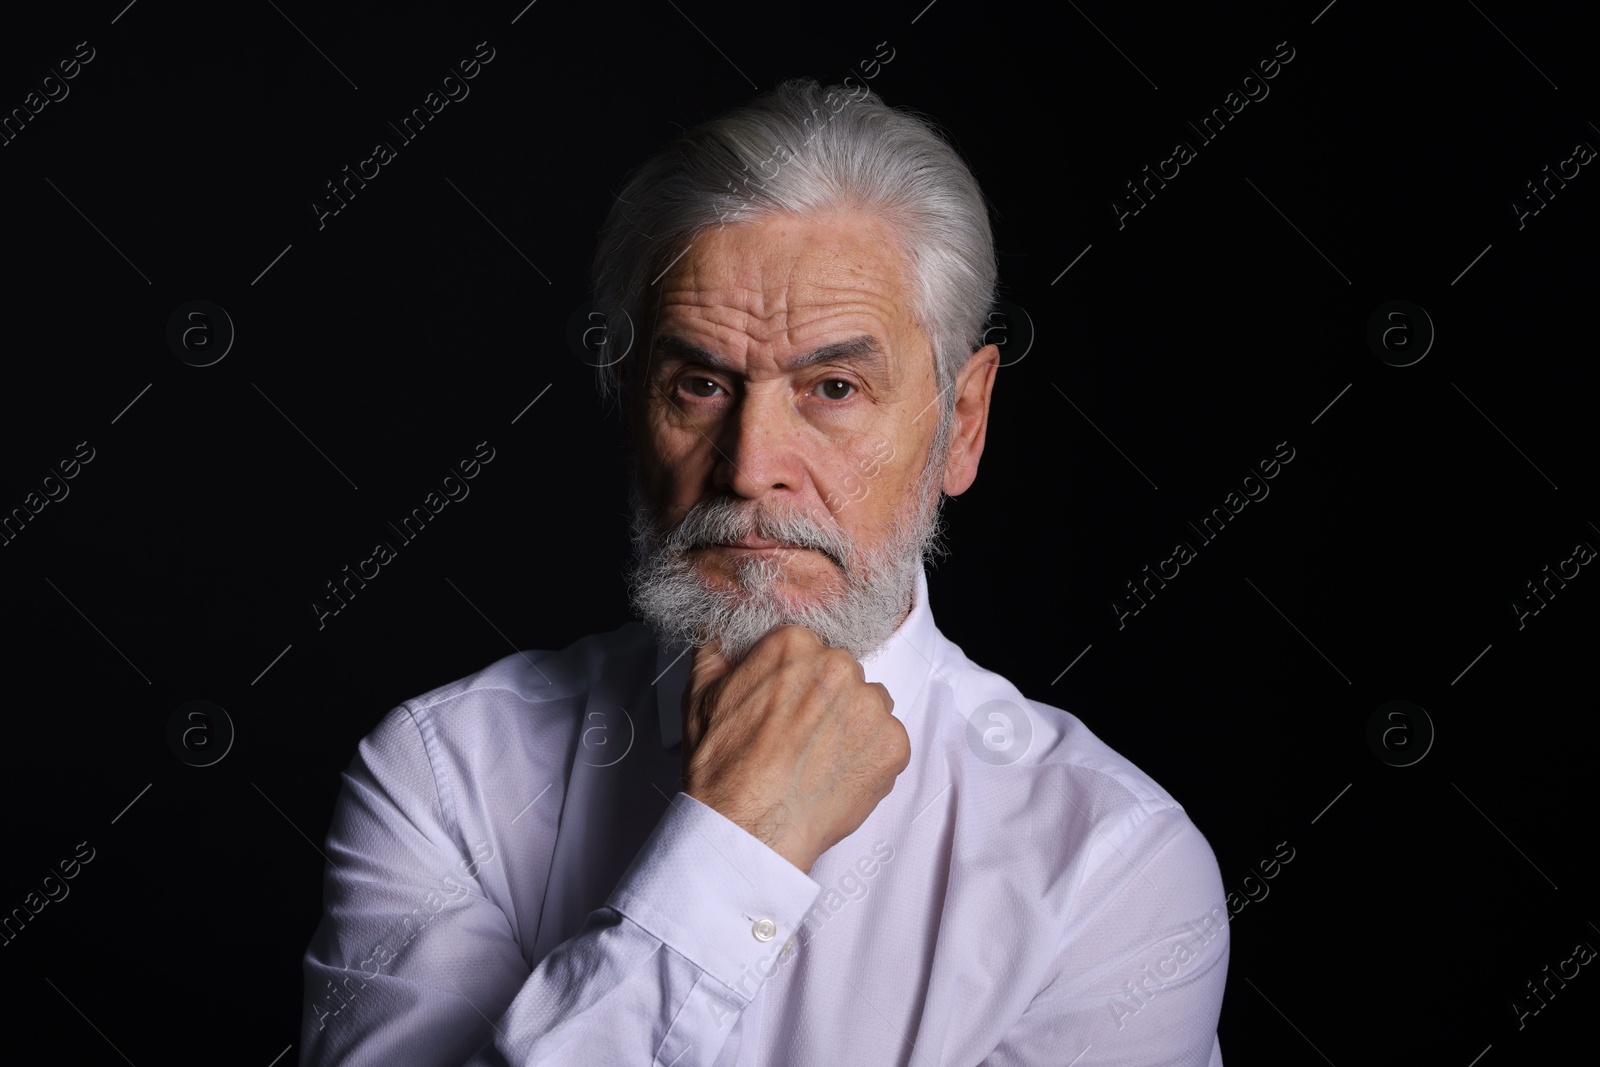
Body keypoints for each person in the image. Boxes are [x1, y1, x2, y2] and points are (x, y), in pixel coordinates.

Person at [301, 77, 1229, 1066]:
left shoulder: (1109, 865)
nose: (749, 466)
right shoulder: (447, 777)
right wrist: (739, 836)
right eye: (699, 383)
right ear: (632, 408)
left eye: (833, 386)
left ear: (961, 422)